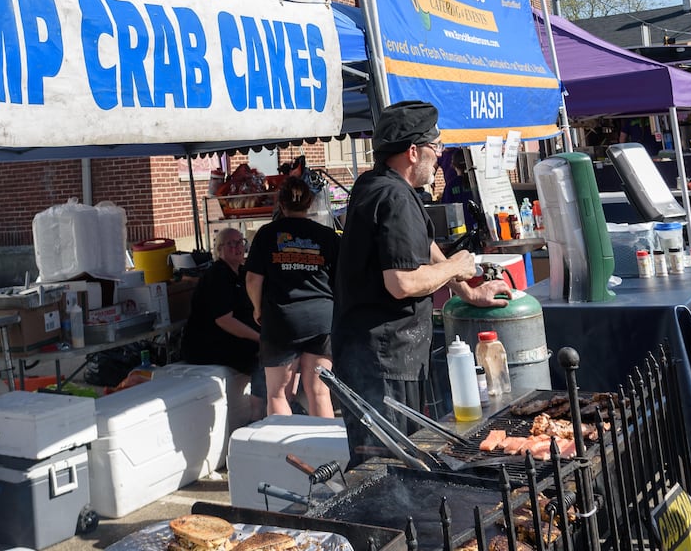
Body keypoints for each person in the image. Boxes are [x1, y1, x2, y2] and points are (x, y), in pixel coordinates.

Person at [332, 100, 512, 465]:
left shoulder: (374, 184)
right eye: (436, 147)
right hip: (384, 362)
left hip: (376, 357)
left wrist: (469, 290)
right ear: (413, 152)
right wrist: (457, 268)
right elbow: (401, 283)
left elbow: (423, 247)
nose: (440, 156)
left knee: (389, 462)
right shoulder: (394, 196)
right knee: (387, 467)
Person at [244, 175, 339, 417]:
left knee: (278, 393)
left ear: (281, 204)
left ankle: (283, 453)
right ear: (309, 204)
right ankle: (322, 451)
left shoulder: (267, 234)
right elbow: (341, 281)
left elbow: (253, 280)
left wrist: (257, 309)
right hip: (321, 318)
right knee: (319, 391)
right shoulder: (328, 236)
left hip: (281, 319)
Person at [181, 226, 263, 420]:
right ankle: (259, 414)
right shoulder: (217, 276)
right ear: (218, 251)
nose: (237, 247)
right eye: (230, 244)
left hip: (231, 338)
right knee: (265, 359)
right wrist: (260, 338)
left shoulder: (242, 273)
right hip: (209, 345)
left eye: (240, 242)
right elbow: (225, 321)